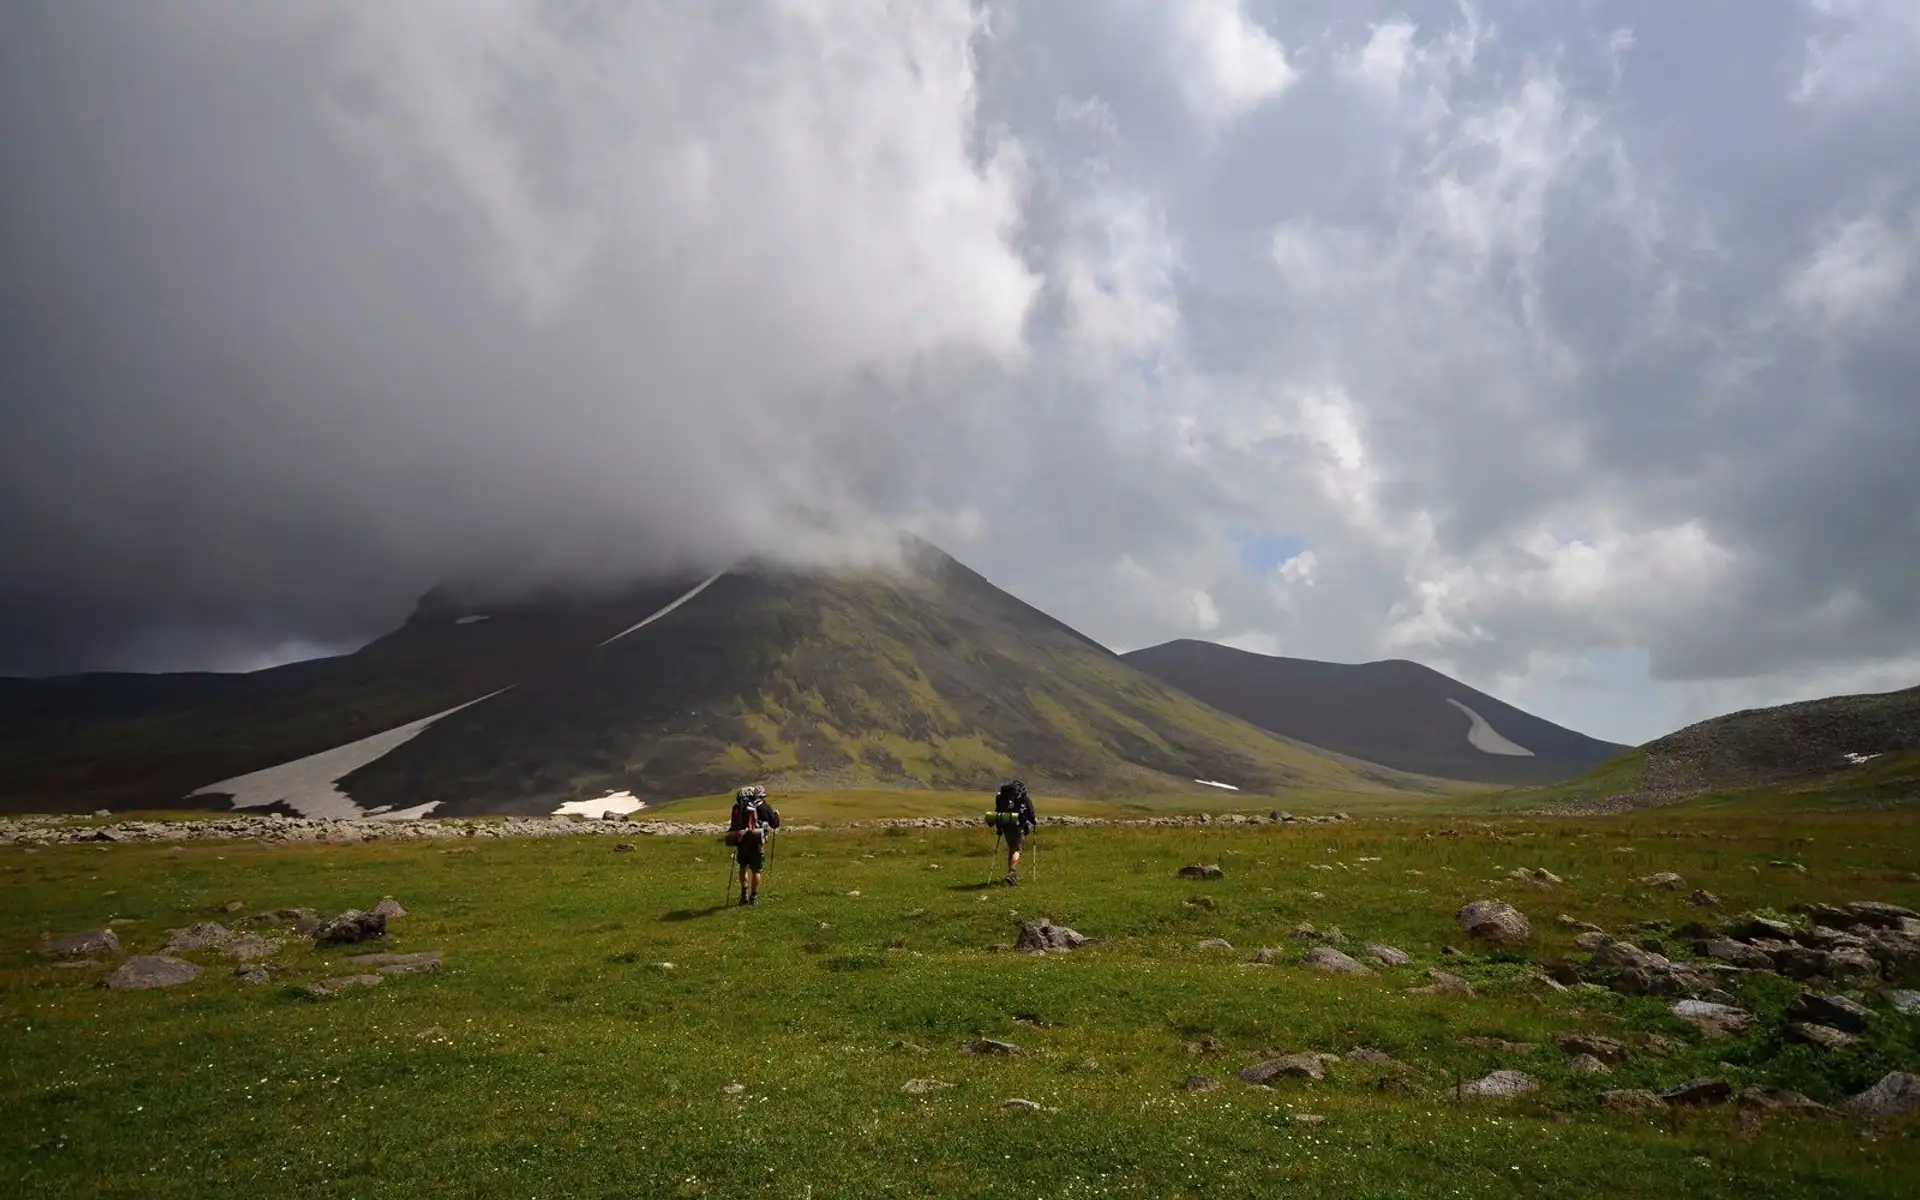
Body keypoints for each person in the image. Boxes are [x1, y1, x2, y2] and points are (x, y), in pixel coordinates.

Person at [727, 784, 781, 906]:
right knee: (756, 870)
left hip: (741, 840)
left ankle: (744, 894)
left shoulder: (738, 807)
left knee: (743, 867)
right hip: (756, 840)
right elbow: (774, 824)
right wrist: (776, 815)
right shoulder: (763, 806)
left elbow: (734, 824)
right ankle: (754, 897)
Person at [992, 779, 1036, 886]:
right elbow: (1030, 813)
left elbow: (998, 811)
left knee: (1011, 849)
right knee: (1017, 850)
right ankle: (1012, 872)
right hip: (1018, 826)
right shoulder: (1022, 797)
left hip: (1006, 826)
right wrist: (1033, 821)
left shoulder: (1002, 796)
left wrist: (999, 828)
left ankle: (1011, 875)